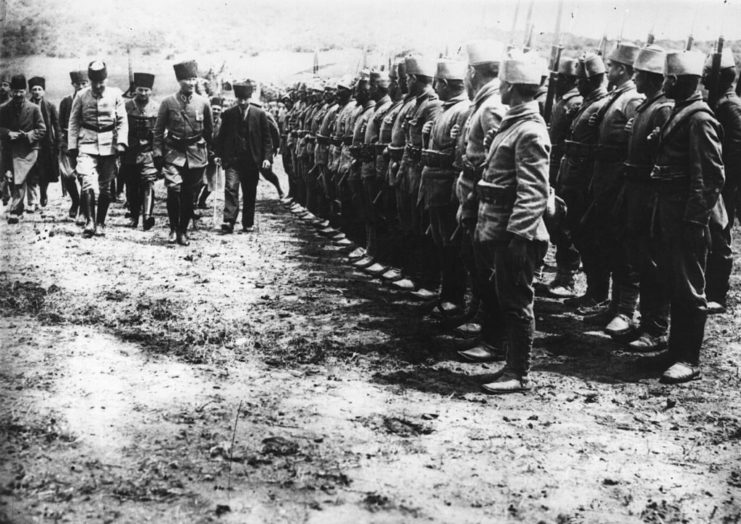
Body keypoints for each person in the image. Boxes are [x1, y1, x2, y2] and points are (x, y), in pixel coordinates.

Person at [474, 51, 551, 393]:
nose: (500, 89)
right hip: (503, 227)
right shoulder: (515, 124)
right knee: (507, 297)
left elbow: (533, 192)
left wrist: (519, 237)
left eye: (504, 84)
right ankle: (510, 365)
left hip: (517, 233)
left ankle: (518, 373)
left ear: (513, 88)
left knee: (518, 301)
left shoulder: (530, 131)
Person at [651, 50, 724, 384]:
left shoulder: (700, 118)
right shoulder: (682, 112)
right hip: (670, 213)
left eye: (667, 77)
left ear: (676, 80)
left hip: (686, 218)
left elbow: (708, 178)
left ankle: (689, 359)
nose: (664, 82)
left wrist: (695, 222)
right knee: (673, 281)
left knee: (690, 287)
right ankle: (675, 349)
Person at [455, 40, 508, 362]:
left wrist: (475, 198)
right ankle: (483, 326)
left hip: (483, 200)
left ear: (473, 72)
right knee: (479, 267)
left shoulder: (491, 106)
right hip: (475, 195)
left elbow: (496, 159)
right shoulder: (484, 102)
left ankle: (493, 339)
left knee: (488, 271)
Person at [587, 43, 644, 336]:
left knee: (624, 246)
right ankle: (613, 306)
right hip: (605, 181)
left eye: (610, 66)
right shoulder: (618, 96)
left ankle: (626, 311)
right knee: (608, 241)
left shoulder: (633, 99)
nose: (607, 70)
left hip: (620, 182)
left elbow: (635, 145)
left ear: (621, 69)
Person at [620, 45, 673, 352]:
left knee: (653, 263)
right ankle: (645, 321)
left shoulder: (662, 109)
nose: (635, 77)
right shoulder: (647, 106)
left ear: (652, 78)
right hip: (635, 192)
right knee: (640, 259)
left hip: (649, 197)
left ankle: (656, 328)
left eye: (639, 73)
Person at [557, 54, 610, 312]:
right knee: (579, 235)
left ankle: (598, 294)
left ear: (592, 80)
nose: (577, 84)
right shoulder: (589, 103)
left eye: (581, 79)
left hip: (587, 183)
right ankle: (592, 291)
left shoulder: (603, 105)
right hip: (575, 181)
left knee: (592, 239)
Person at [419, 59, 470, 315]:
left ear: (446, 83)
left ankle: (454, 298)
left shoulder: (463, 110)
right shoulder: (445, 108)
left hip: (447, 186)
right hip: (435, 185)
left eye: (437, 82)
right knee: (441, 243)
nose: (434, 86)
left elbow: (458, 153)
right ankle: (446, 293)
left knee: (451, 247)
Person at [153, 59, 213, 245]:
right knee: (173, 189)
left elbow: (209, 131)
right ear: (179, 81)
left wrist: (210, 152)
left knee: (189, 194)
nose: (190, 83)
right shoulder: (168, 102)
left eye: (193, 78)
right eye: (186, 79)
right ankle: (172, 227)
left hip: (196, 154)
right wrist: (157, 151)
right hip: (173, 152)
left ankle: (183, 230)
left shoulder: (203, 103)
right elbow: (158, 130)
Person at [67, 61, 128, 238]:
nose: (99, 86)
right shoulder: (81, 95)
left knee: (106, 187)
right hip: (87, 143)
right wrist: (72, 145)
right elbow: (73, 121)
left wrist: (122, 142)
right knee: (87, 181)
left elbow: (123, 120)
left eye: (102, 82)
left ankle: (101, 222)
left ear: (106, 80)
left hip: (109, 145)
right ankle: (90, 221)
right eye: (95, 83)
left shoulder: (116, 94)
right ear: (90, 81)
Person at [703, 48, 741, 314]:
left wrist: (724, 186)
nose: (703, 79)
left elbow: (736, 151)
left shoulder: (729, 106)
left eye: (708, 74)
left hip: (725, 184)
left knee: (720, 236)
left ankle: (717, 294)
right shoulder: (720, 103)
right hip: (717, 182)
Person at [545, 57, 584, 298]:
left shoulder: (575, 102)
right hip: (556, 166)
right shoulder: (564, 100)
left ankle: (567, 278)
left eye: (558, 77)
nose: (554, 81)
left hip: (566, 169)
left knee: (566, 225)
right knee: (557, 223)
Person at [215, 80, 273, 233]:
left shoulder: (259, 114)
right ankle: (229, 221)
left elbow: (267, 139)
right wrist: (218, 155)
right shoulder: (228, 114)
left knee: (249, 191)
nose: (242, 102)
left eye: (245, 99)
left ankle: (247, 222)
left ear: (250, 98)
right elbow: (221, 137)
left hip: (251, 161)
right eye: (239, 99)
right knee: (231, 188)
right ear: (236, 99)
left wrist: (267, 158)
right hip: (233, 160)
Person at [0, 75, 46, 224]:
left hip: (29, 149)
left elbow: (41, 129)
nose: (18, 95)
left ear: (25, 91)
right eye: (15, 91)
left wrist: (28, 136)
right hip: (10, 149)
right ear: (11, 92)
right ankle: (18, 209)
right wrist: (8, 133)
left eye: (21, 91)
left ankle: (15, 211)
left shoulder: (34, 109)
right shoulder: (4, 108)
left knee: (19, 179)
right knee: (13, 178)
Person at [122, 72, 158, 230]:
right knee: (132, 184)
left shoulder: (157, 107)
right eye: (140, 90)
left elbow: (160, 130)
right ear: (135, 89)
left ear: (151, 91)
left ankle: (147, 217)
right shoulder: (126, 106)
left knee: (148, 181)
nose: (143, 93)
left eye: (146, 90)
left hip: (149, 151)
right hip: (130, 151)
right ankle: (134, 215)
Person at [27, 76, 61, 211]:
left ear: (44, 91)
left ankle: (43, 193)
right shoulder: (27, 105)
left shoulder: (50, 106)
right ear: (30, 91)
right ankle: (32, 201)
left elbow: (57, 126)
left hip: (47, 144)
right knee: (32, 171)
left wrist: (58, 143)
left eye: (39, 89)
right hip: (31, 143)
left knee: (46, 172)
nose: (36, 92)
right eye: (34, 89)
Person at [58, 70, 88, 223]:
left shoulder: (90, 100)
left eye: (84, 83)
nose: (81, 86)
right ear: (73, 85)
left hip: (85, 142)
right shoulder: (66, 101)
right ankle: (75, 200)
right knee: (68, 175)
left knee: (85, 176)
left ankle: (83, 208)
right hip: (68, 143)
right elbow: (60, 123)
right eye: (78, 84)